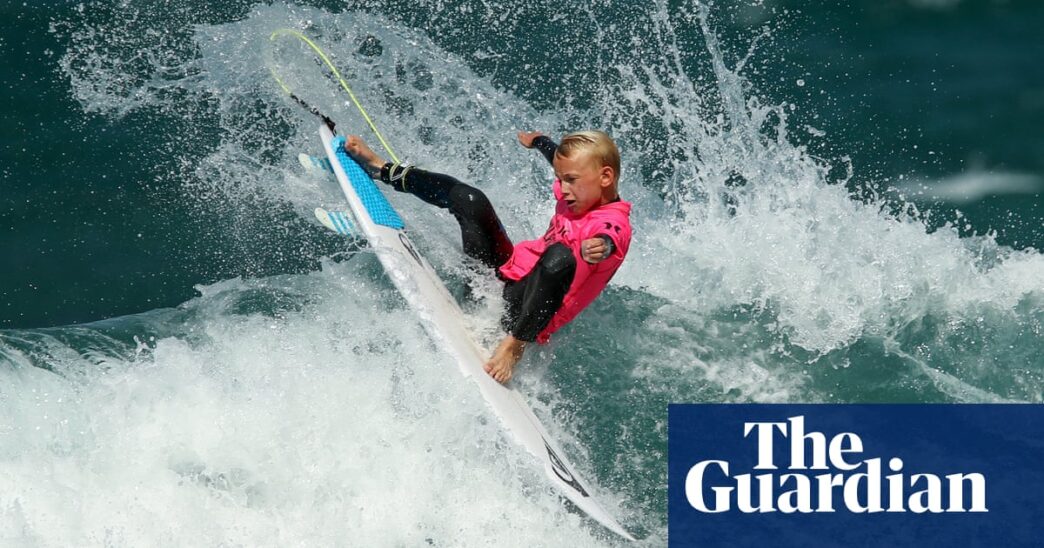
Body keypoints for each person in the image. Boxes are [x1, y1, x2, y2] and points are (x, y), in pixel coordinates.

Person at [343, 130, 632, 383]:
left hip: (524, 310)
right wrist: (540, 142)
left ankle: (514, 346)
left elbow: (611, 238)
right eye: (560, 179)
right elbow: (559, 159)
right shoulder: (581, 189)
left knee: (560, 256)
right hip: (502, 275)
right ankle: (382, 169)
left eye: (570, 180)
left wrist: (601, 247)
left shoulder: (612, 225)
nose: (562, 189)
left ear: (605, 177)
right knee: (470, 198)